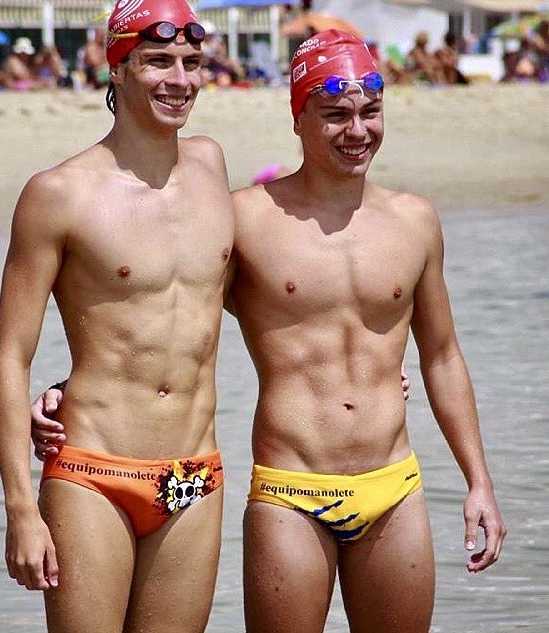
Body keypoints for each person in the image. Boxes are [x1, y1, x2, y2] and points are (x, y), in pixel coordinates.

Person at [32, 30, 506, 632]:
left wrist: (479, 482)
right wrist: (72, 387)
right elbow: (162, 310)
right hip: (290, 490)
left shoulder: (415, 220)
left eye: (370, 112)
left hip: (395, 484)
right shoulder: (248, 218)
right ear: (298, 117)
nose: (357, 131)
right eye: (335, 115)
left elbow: (441, 355)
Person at [0, 1, 235, 632]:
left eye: (192, 62)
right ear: (116, 67)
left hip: (192, 477)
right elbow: (9, 356)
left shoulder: (210, 165)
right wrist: (20, 508)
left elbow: (247, 290)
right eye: (158, 61)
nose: (180, 79)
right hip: (93, 472)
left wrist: (374, 358)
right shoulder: (58, 194)